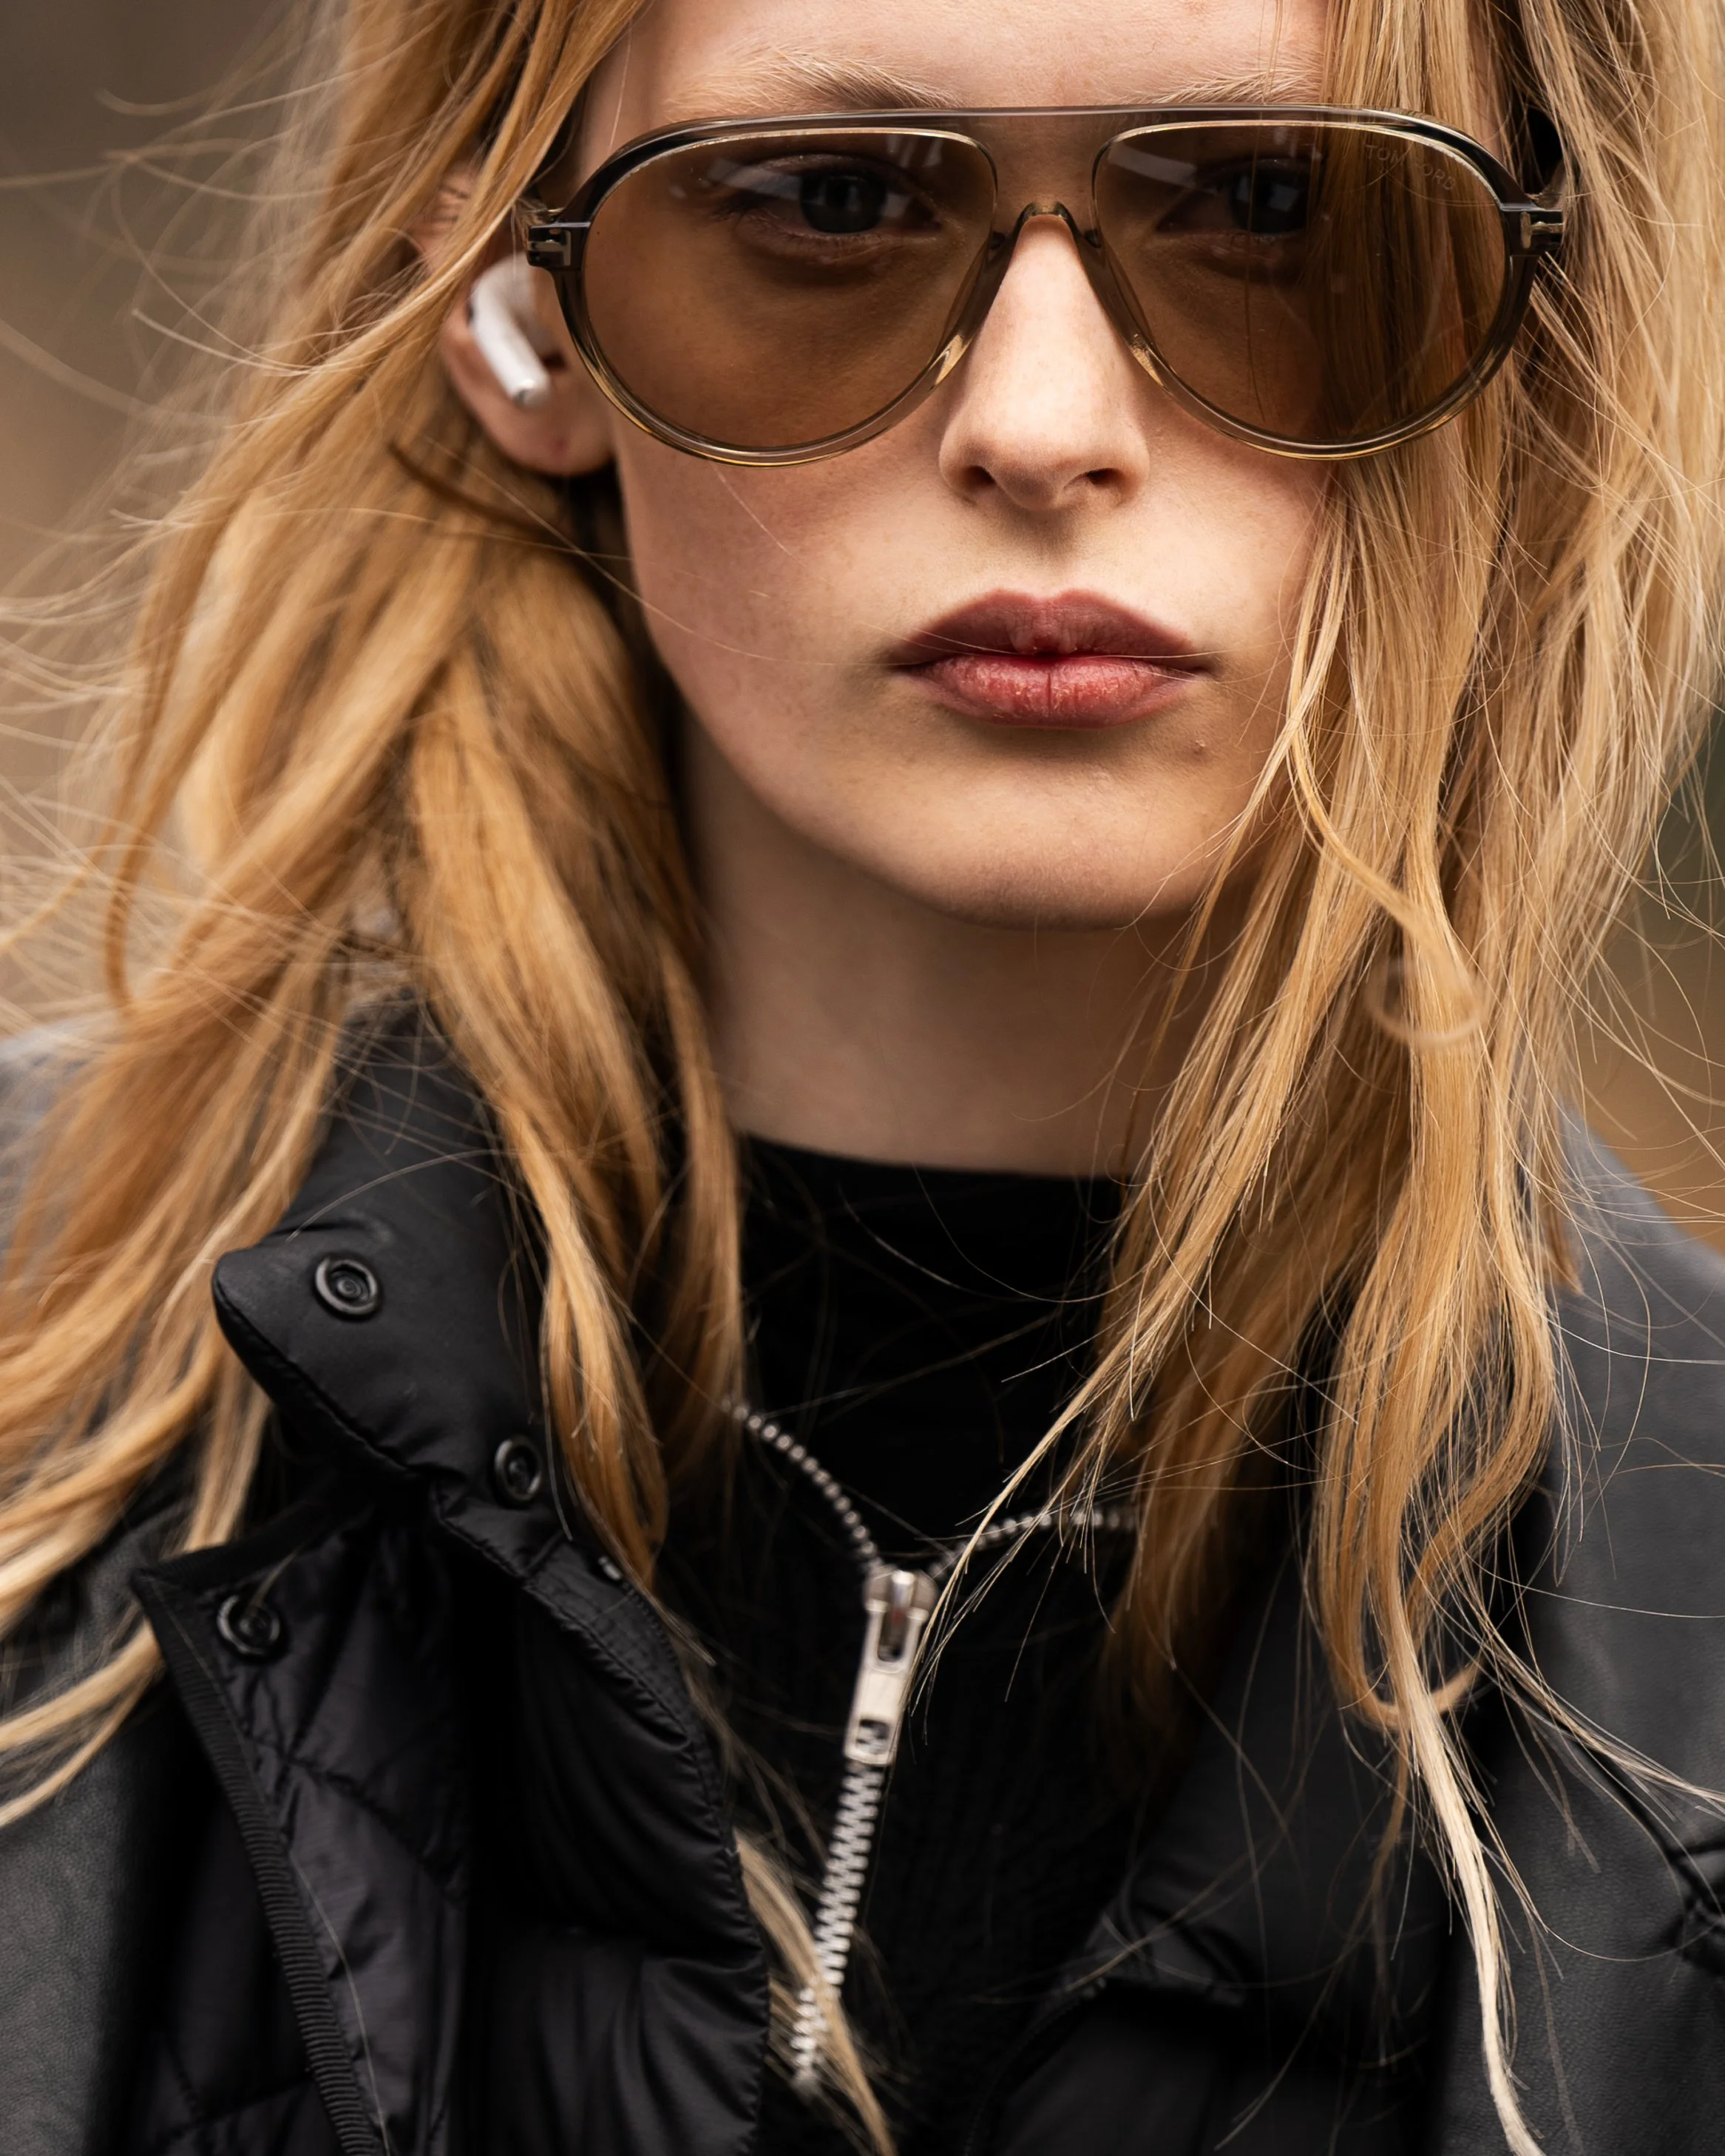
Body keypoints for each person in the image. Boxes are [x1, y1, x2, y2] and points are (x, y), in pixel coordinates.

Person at [1, 0, 1722, 2148]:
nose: (1038, 422)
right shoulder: (31, 1383)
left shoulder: (1691, 1616)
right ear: (512, 306)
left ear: (1541, 320)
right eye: (826, 203)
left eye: (1272, 210)